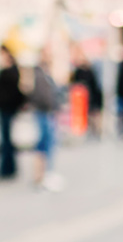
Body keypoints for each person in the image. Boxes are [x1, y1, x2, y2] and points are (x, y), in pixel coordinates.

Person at [28, 60, 62, 191]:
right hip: (44, 113)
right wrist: (51, 107)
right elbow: (45, 96)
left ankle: (43, 175)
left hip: (45, 113)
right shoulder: (41, 76)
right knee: (45, 143)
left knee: (45, 143)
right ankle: (43, 175)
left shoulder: (41, 76)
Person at [0, 46, 22, 179]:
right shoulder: (10, 71)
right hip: (7, 109)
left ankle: (7, 168)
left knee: (7, 139)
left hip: (8, 109)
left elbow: (12, 93)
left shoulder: (10, 72)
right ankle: (9, 168)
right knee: (7, 139)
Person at [69, 55, 104, 138]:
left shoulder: (90, 72)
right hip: (82, 98)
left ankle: (95, 131)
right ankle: (88, 131)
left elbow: (94, 86)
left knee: (93, 115)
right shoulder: (79, 72)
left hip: (91, 97)